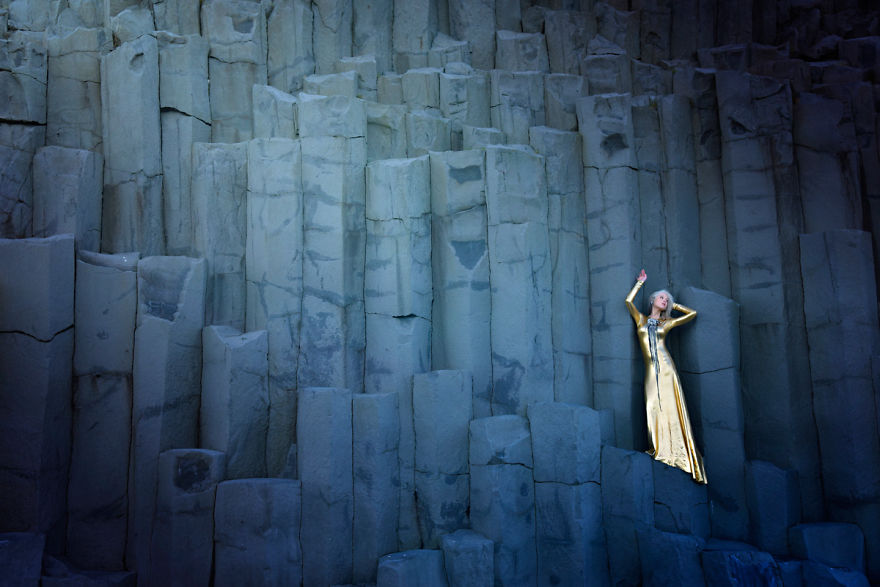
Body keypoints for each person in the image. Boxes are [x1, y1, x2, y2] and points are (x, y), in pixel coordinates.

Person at [625, 269, 707, 484]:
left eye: (666, 300)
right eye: (662, 297)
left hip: (667, 368)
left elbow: (692, 314)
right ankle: (659, 449)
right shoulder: (641, 319)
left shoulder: (667, 322)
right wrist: (640, 284)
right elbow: (628, 302)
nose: (664, 301)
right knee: (652, 404)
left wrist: (673, 306)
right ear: (653, 300)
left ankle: (676, 454)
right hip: (651, 370)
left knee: (671, 406)